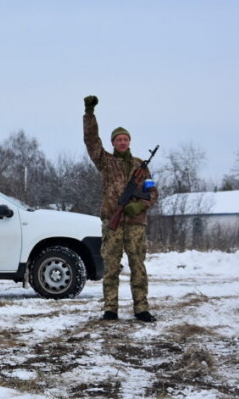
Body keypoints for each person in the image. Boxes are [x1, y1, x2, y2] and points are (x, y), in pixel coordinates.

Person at [83, 95, 159, 323]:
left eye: (126, 139)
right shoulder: (106, 162)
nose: (123, 142)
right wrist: (89, 114)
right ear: (114, 143)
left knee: (138, 266)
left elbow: (153, 193)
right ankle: (110, 309)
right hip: (112, 224)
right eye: (119, 139)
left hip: (136, 225)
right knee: (112, 267)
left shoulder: (141, 167)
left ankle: (141, 308)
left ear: (130, 142)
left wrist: (140, 204)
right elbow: (91, 142)